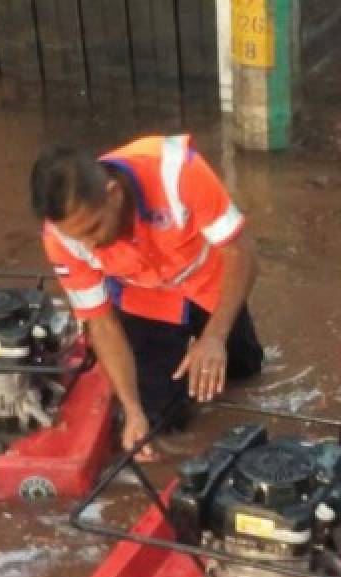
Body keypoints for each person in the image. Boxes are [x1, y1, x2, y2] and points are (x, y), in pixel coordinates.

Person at [30, 135, 262, 456]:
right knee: (158, 421)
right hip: (145, 300)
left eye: (94, 229)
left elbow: (244, 252)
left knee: (245, 369)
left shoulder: (179, 173)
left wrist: (214, 338)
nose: (89, 246)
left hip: (208, 282)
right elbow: (101, 323)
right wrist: (132, 409)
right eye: (77, 237)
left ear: (113, 195)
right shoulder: (61, 237)